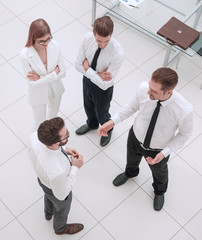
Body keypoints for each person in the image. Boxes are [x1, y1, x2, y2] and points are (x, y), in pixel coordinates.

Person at [99, 67, 193, 211]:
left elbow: (184, 135)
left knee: (160, 173)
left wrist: (164, 153)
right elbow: (130, 108)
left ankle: (159, 191)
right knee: (131, 160)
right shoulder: (144, 89)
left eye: (154, 91)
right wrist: (112, 122)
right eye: (150, 87)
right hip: (135, 137)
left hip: (158, 150)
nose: (148, 92)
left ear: (168, 92)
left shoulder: (183, 110)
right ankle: (130, 173)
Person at [75, 16, 124, 146]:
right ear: (93, 32)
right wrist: (97, 74)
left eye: (106, 41)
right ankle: (92, 124)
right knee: (88, 105)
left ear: (112, 34)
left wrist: (88, 70)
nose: (102, 45)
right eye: (99, 41)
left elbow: (104, 84)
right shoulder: (87, 38)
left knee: (102, 112)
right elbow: (77, 65)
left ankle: (108, 129)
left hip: (103, 90)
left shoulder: (117, 52)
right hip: (87, 81)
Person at [30, 117, 84, 235]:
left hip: (42, 181)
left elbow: (49, 148)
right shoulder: (57, 172)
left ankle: (48, 214)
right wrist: (75, 167)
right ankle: (60, 229)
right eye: (66, 135)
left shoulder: (35, 137)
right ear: (55, 143)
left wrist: (64, 150)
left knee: (48, 196)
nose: (68, 134)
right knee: (61, 208)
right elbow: (62, 195)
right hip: (57, 188)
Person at [20, 19, 66, 130]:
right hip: (38, 93)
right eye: (41, 41)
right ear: (33, 38)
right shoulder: (25, 55)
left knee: (52, 118)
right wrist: (54, 74)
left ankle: (50, 142)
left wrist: (40, 78)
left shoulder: (55, 45)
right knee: (39, 124)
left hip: (55, 89)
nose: (46, 44)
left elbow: (63, 72)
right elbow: (33, 84)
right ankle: (37, 145)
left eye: (48, 39)